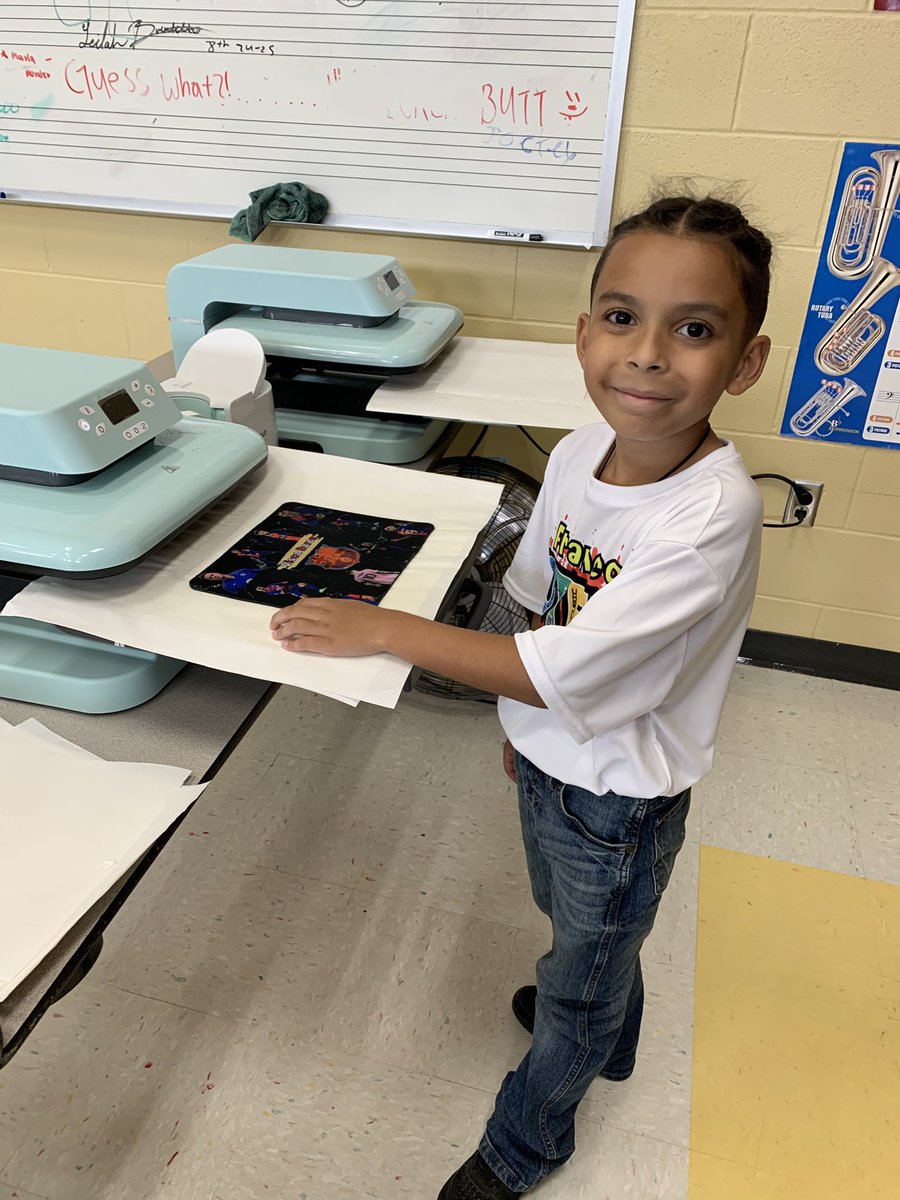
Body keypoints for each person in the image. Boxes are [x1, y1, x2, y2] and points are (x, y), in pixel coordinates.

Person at [268, 194, 773, 1197]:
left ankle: (525, 1146)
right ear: (584, 335)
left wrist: (384, 627)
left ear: (745, 362)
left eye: (697, 329)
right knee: (570, 923)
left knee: (576, 977)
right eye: (623, 318)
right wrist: (518, 727)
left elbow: (563, 667)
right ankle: (609, 1021)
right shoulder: (581, 453)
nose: (649, 354)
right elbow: (533, 600)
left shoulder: (711, 516)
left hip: (621, 798)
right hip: (552, 761)